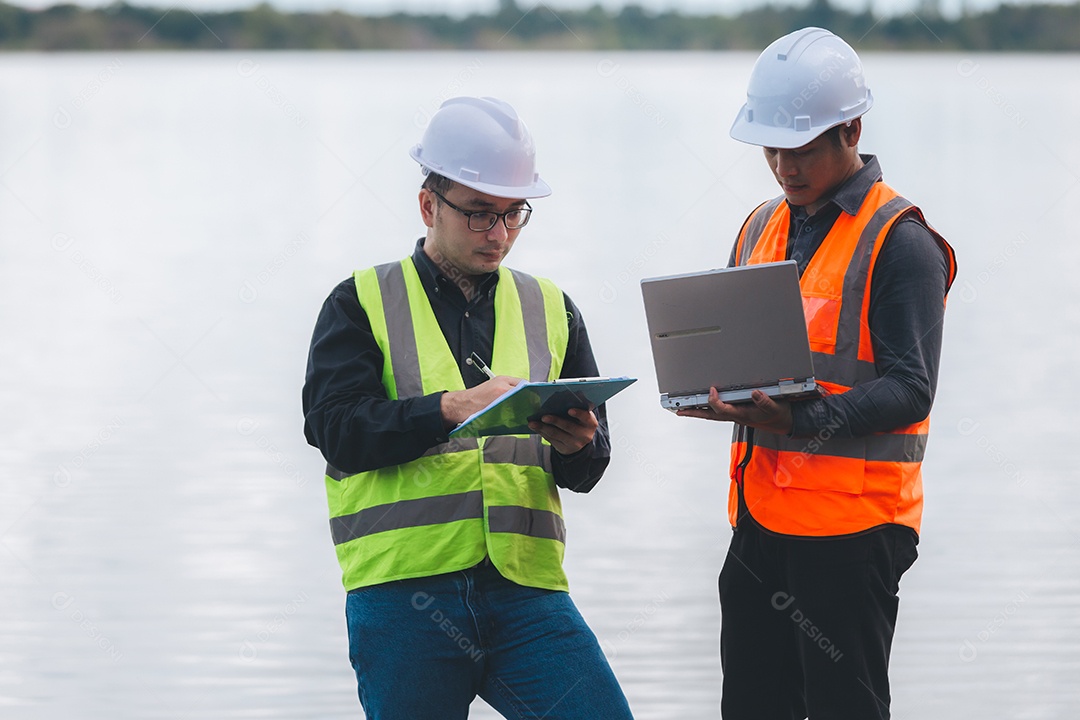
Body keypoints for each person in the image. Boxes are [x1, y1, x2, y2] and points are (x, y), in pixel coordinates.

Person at [302, 96, 633, 720]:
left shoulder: (553, 307)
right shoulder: (359, 302)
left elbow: (591, 466)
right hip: (403, 596)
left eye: (514, 215)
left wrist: (579, 447)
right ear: (429, 205)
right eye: (480, 214)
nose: (499, 234)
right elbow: (335, 430)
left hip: (528, 595)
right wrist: (449, 407)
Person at [677, 28, 958, 719]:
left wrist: (799, 419)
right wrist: (715, 391)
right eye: (771, 147)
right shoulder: (757, 227)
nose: (783, 165)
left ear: (852, 129)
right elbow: (747, 356)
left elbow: (910, 388)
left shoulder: (902, 242)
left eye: (799, 148)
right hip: (760, 521)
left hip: (855, 534)